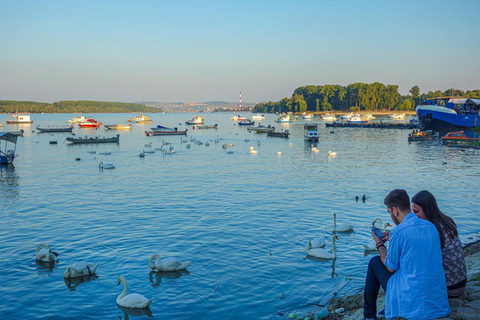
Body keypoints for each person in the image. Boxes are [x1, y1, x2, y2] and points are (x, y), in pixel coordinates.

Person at [363, 189, 450, 320]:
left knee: (375, 262)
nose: (390, 216)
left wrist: (379, 244)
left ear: (395, 211)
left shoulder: (398, 232)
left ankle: (369, 316)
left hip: (414, 304)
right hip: (438, 303)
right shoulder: (431, 227)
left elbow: (390, 267)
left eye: (389, 212)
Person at [412, 190, 467, 297]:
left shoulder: (432, 230)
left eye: (416, 212)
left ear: (427, 210)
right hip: (461, 282)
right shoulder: (447, 221)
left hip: (449, 287)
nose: (414, 216)